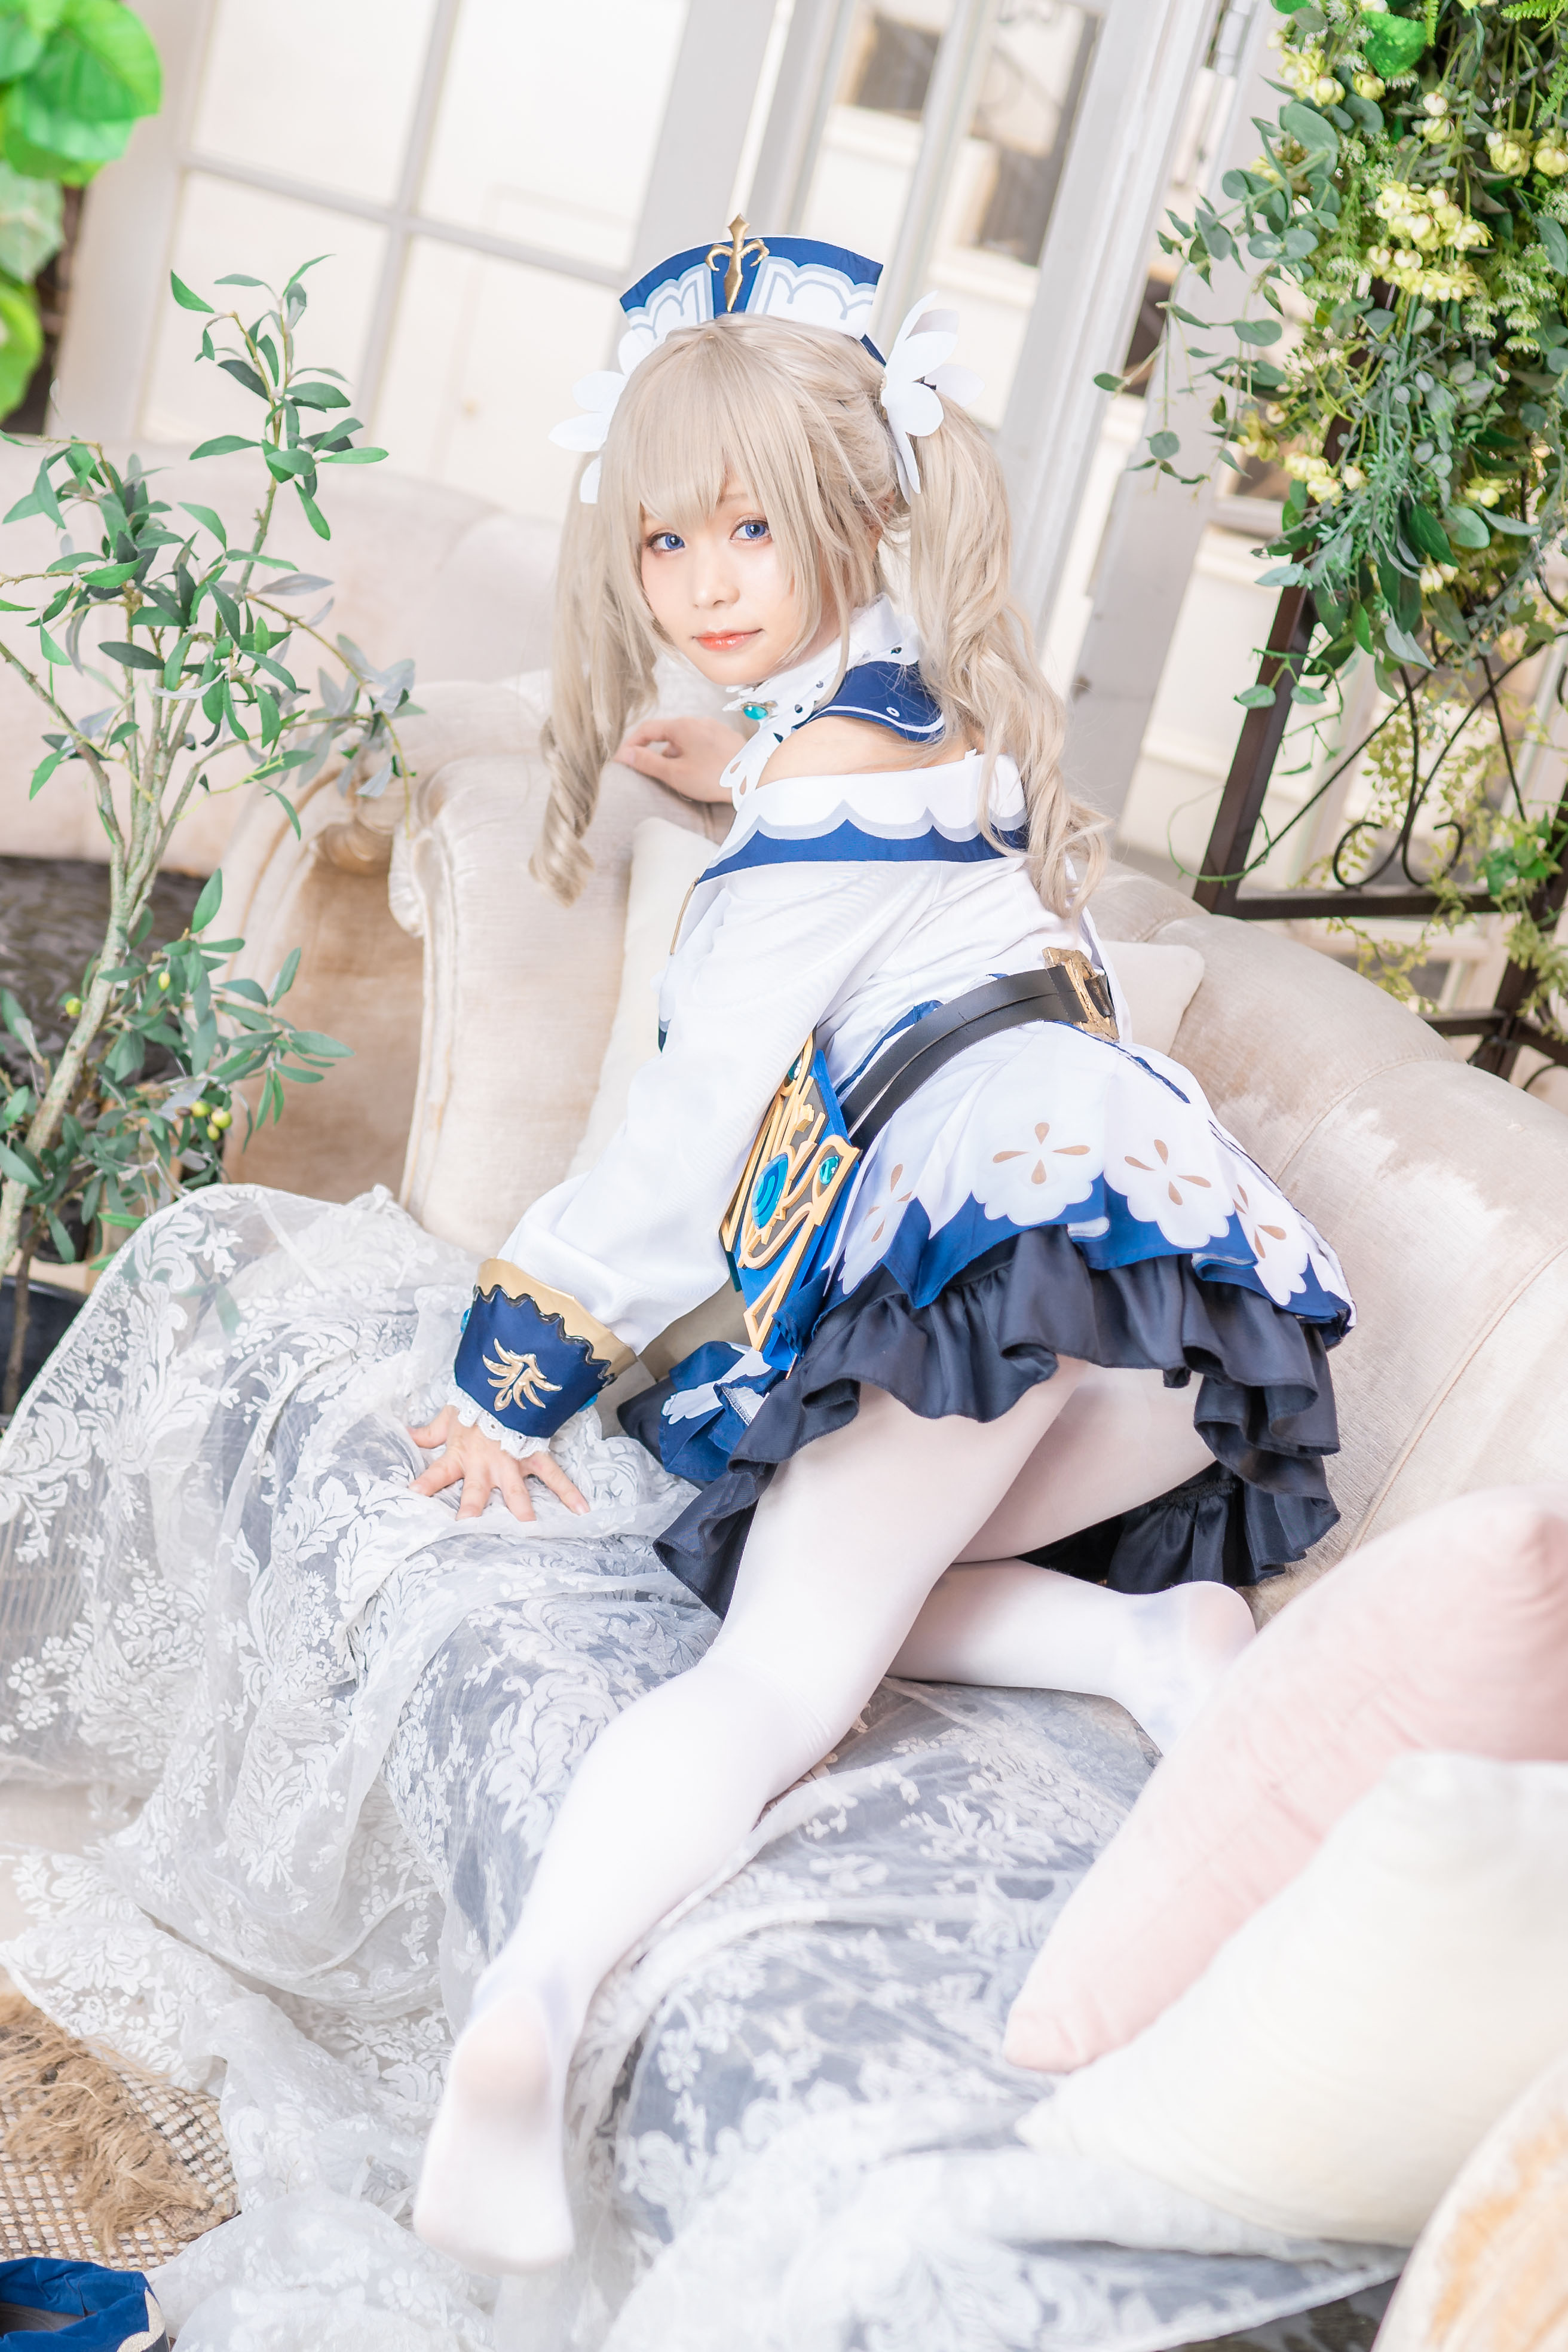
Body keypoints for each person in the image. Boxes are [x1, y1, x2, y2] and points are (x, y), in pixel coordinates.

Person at [407, 227, 1352, 2276]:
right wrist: (736, 758)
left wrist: (514, 1373)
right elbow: (847, 798)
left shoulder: (825, 810)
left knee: (771, 1671)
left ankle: (527, 2015)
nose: (703, 586)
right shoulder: (919, 712)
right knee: (818, 1559)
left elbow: (679, 1152)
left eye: (750, 528)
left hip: (998, 1269)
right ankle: (1144, 1643)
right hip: (1169, 1287)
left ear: (852, 511)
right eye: (665, 539)